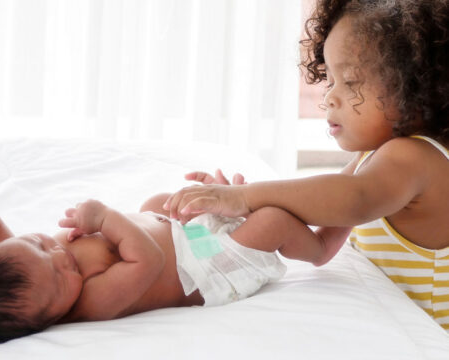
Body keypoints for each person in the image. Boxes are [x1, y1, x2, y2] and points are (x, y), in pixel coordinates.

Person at [164, 0, 449, 331]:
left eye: (351, 81)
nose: (329, 97)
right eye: (329, 80)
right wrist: (246, 212)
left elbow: (352, 200)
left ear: (415, 85)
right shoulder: (371, 162)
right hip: (389, 326)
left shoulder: (414, 158)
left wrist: (244, 196)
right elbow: (321, 247)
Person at [0, 170, 332, 343]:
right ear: (50, 318)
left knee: (156, 202)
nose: (59, 257)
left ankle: (227, 212)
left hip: (190, 238)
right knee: (272, 221)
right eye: (59, 280)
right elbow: (148, 259)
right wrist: (104, 219)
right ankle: (322, 247)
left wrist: (193, 217)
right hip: (206, 267)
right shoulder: (92, 301)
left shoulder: (26, 269)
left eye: (39, 244)